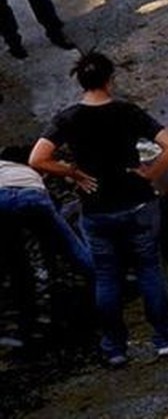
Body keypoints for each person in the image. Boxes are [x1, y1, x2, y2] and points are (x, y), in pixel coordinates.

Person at [29, 51, 168, 367]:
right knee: (149, 270)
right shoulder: (127, 112)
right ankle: (166, 340)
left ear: (81, 83)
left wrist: (72, 172)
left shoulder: (68, 118)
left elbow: (37, 159)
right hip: (137, 201)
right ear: (110, 80)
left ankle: (114, 348)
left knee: (107, 277)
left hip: (96, 208)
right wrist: (151, 172)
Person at [0, 148, 93, 347]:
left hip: (2, 200)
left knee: (15, 261)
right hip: (35, 197)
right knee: (72, 249)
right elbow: (56, 206)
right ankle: (102, 283)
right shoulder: (31, 171)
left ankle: (24, 320)